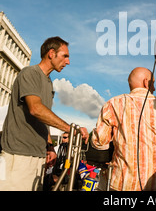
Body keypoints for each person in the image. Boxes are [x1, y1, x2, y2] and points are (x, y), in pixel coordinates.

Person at [0, 36, 89, 191]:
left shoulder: (48, 83)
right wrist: (71, 129)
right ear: (51, 53)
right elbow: (36, 109)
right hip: (18, 155)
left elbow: (43, 119)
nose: (68, 62)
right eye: (65, 56)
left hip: (37, 156)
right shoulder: (30, 73)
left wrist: (49, 147)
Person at [91, 67, 156, 191]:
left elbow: (99, 142)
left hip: (121, 185)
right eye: (153, 83)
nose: (154, 88)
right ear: (145, 82)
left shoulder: (114, 104)